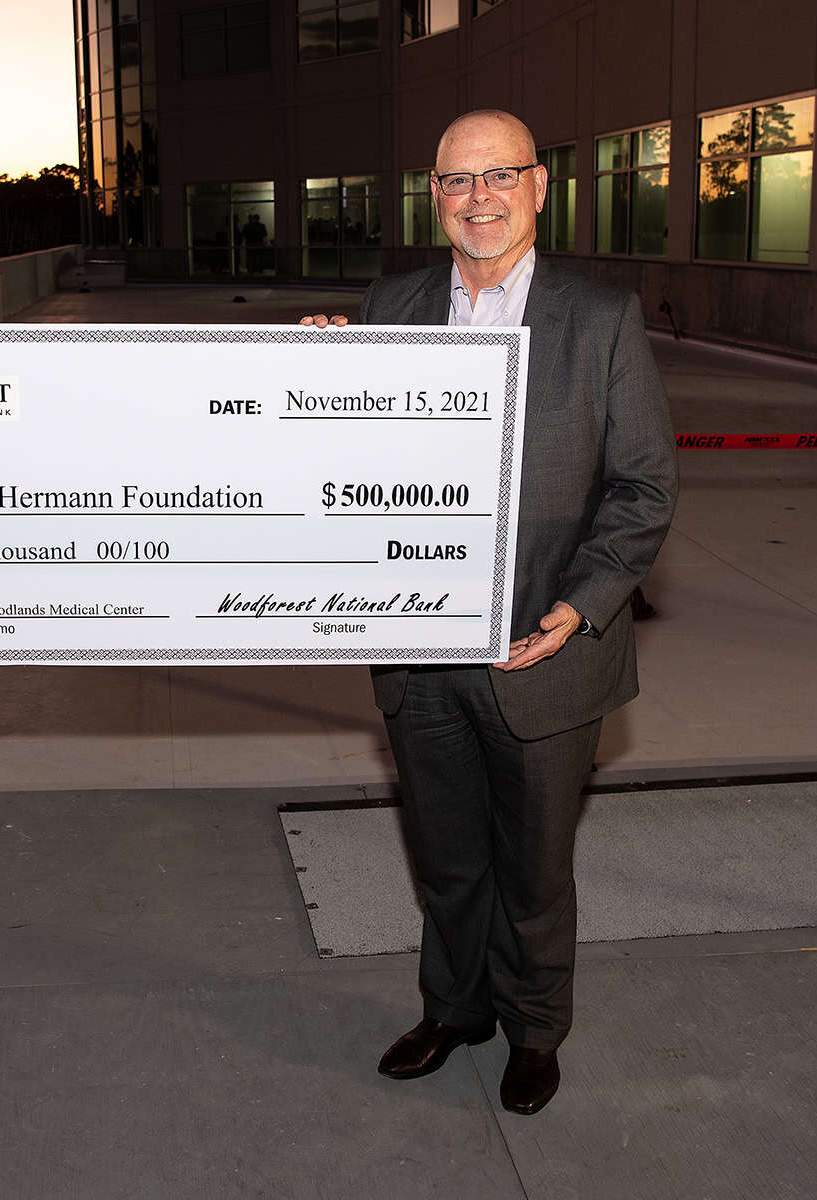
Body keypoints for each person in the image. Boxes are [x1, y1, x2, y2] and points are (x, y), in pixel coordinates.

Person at [304, 109, 677, 1115]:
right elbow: (346, 466)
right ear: (434, 197)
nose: (479, 198)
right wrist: (313, 380)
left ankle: (534, 1030)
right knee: (447, 858)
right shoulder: (391, 305)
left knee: (534, 869)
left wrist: (581, 608)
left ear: (538, 187)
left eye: (499, 175)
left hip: (543, 654)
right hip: (420, 652)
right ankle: (455, 1009)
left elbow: (644, 489)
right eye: (457, 181)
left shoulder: (600, 318)